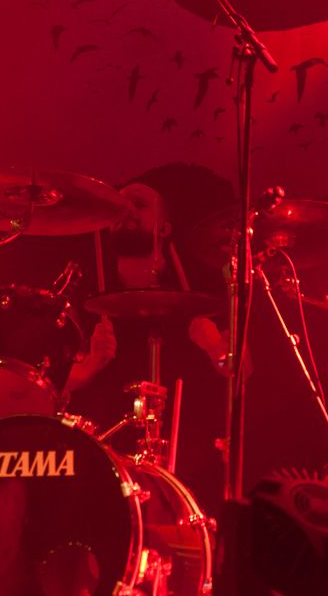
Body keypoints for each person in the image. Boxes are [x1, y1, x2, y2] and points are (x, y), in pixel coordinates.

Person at [64, 163, 236, 515]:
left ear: (165, 227)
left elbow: (239, 371)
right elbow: (51, 389)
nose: (126, 211)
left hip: (189, 471)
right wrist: (89, 367)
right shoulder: (81, 296)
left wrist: (215, 348)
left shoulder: (200, 293)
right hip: (99, 467)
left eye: (139, 205)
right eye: (119, 206)